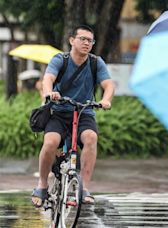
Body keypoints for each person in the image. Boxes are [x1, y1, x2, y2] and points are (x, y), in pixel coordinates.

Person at [31, 25, 115, 207]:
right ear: (72, 40)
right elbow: (48, 79)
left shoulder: (95, 62)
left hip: (84, 112)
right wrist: (49, 93)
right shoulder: (60, 59)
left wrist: (106, 100)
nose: (87, 43)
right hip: (59, 112)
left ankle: (84, 188)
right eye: (82, 39)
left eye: (90, 40)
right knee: (50, 142)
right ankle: (42, 184)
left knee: (91, 138)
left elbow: (108, 85)